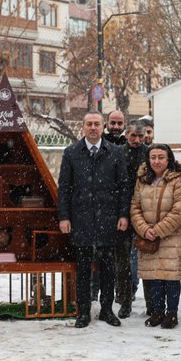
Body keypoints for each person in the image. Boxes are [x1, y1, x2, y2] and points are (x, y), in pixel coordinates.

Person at [58, 112, 130, 328]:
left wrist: (123, 215)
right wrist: (64, 217)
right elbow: (64, 188)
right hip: (81, 220)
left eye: (97, 124)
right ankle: (83, 312)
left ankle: (107, 310)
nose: (93, 128)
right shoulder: (71, 153)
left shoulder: (115, 152)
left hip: (108, 220)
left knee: (108, 269)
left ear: (103, 127)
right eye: (89, 124)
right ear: (83, 127)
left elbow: (124, 187)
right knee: (83, 270)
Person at [130, 144, 181, 329]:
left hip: (173, 236)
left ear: (168, 159)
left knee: (171, 277)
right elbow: (135, 207)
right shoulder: (142, 180)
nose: (156, 161)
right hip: (148, 236)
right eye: (153, 157)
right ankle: (157, 312)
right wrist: (144, 229)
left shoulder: (178, 180)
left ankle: (171, 313)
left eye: (161, 157)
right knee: (154, 277)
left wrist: (159, 229)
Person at [116, 121, 150, 318]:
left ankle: (151, 302)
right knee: (123, 261)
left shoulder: (151, 153)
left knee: (147, 258)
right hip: (123, 212)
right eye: (133, 136)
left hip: (146, 212)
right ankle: (124, 299)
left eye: (141, 136)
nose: (137, 140)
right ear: (126, 135)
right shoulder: (117, 153)